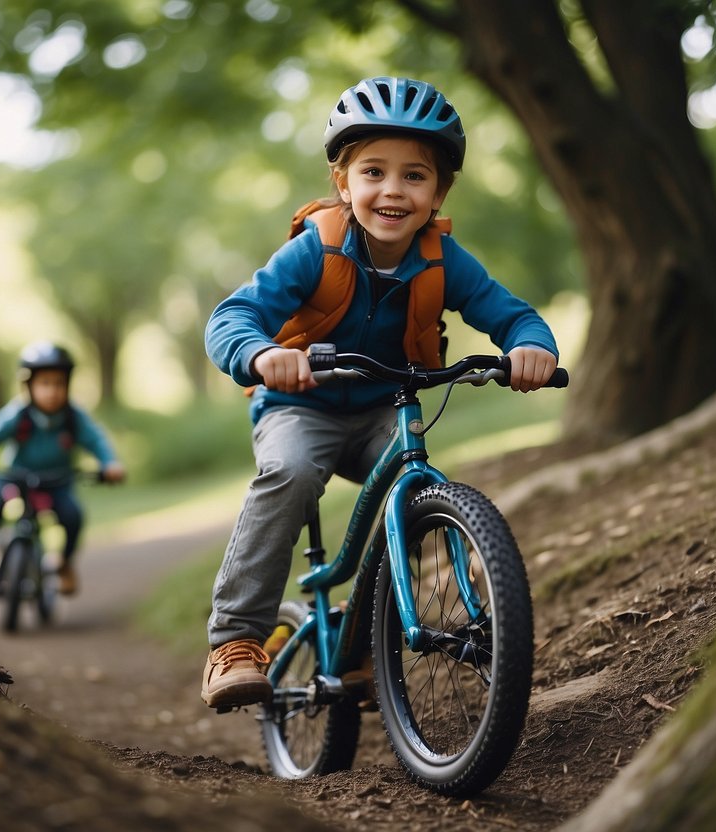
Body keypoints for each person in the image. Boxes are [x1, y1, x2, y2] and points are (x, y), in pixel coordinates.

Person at [201, 76, 560, 709]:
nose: (393, 190)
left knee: (416, 495)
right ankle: (235, 641)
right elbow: (233, 316)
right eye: (373, 172)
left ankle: (367, 636)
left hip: (382, 412)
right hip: (300, 405)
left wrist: (532, 348)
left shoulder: (444, 259)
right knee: (286, 473)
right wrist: (261, 355)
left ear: (439, 192)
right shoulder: (319, 248)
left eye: (415, 176)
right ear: (343, 184)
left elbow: (511, 314)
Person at [0, 341, 125, 596]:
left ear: (67, 385)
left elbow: (96, 439)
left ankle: (65, 564)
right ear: (29, 386)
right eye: (44, 384)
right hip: (17, 477)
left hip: (58, 482)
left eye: (58, 384)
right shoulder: (18, 414)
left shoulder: (72, 417)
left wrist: (109, 463)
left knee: (72, 516)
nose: (52, 391)